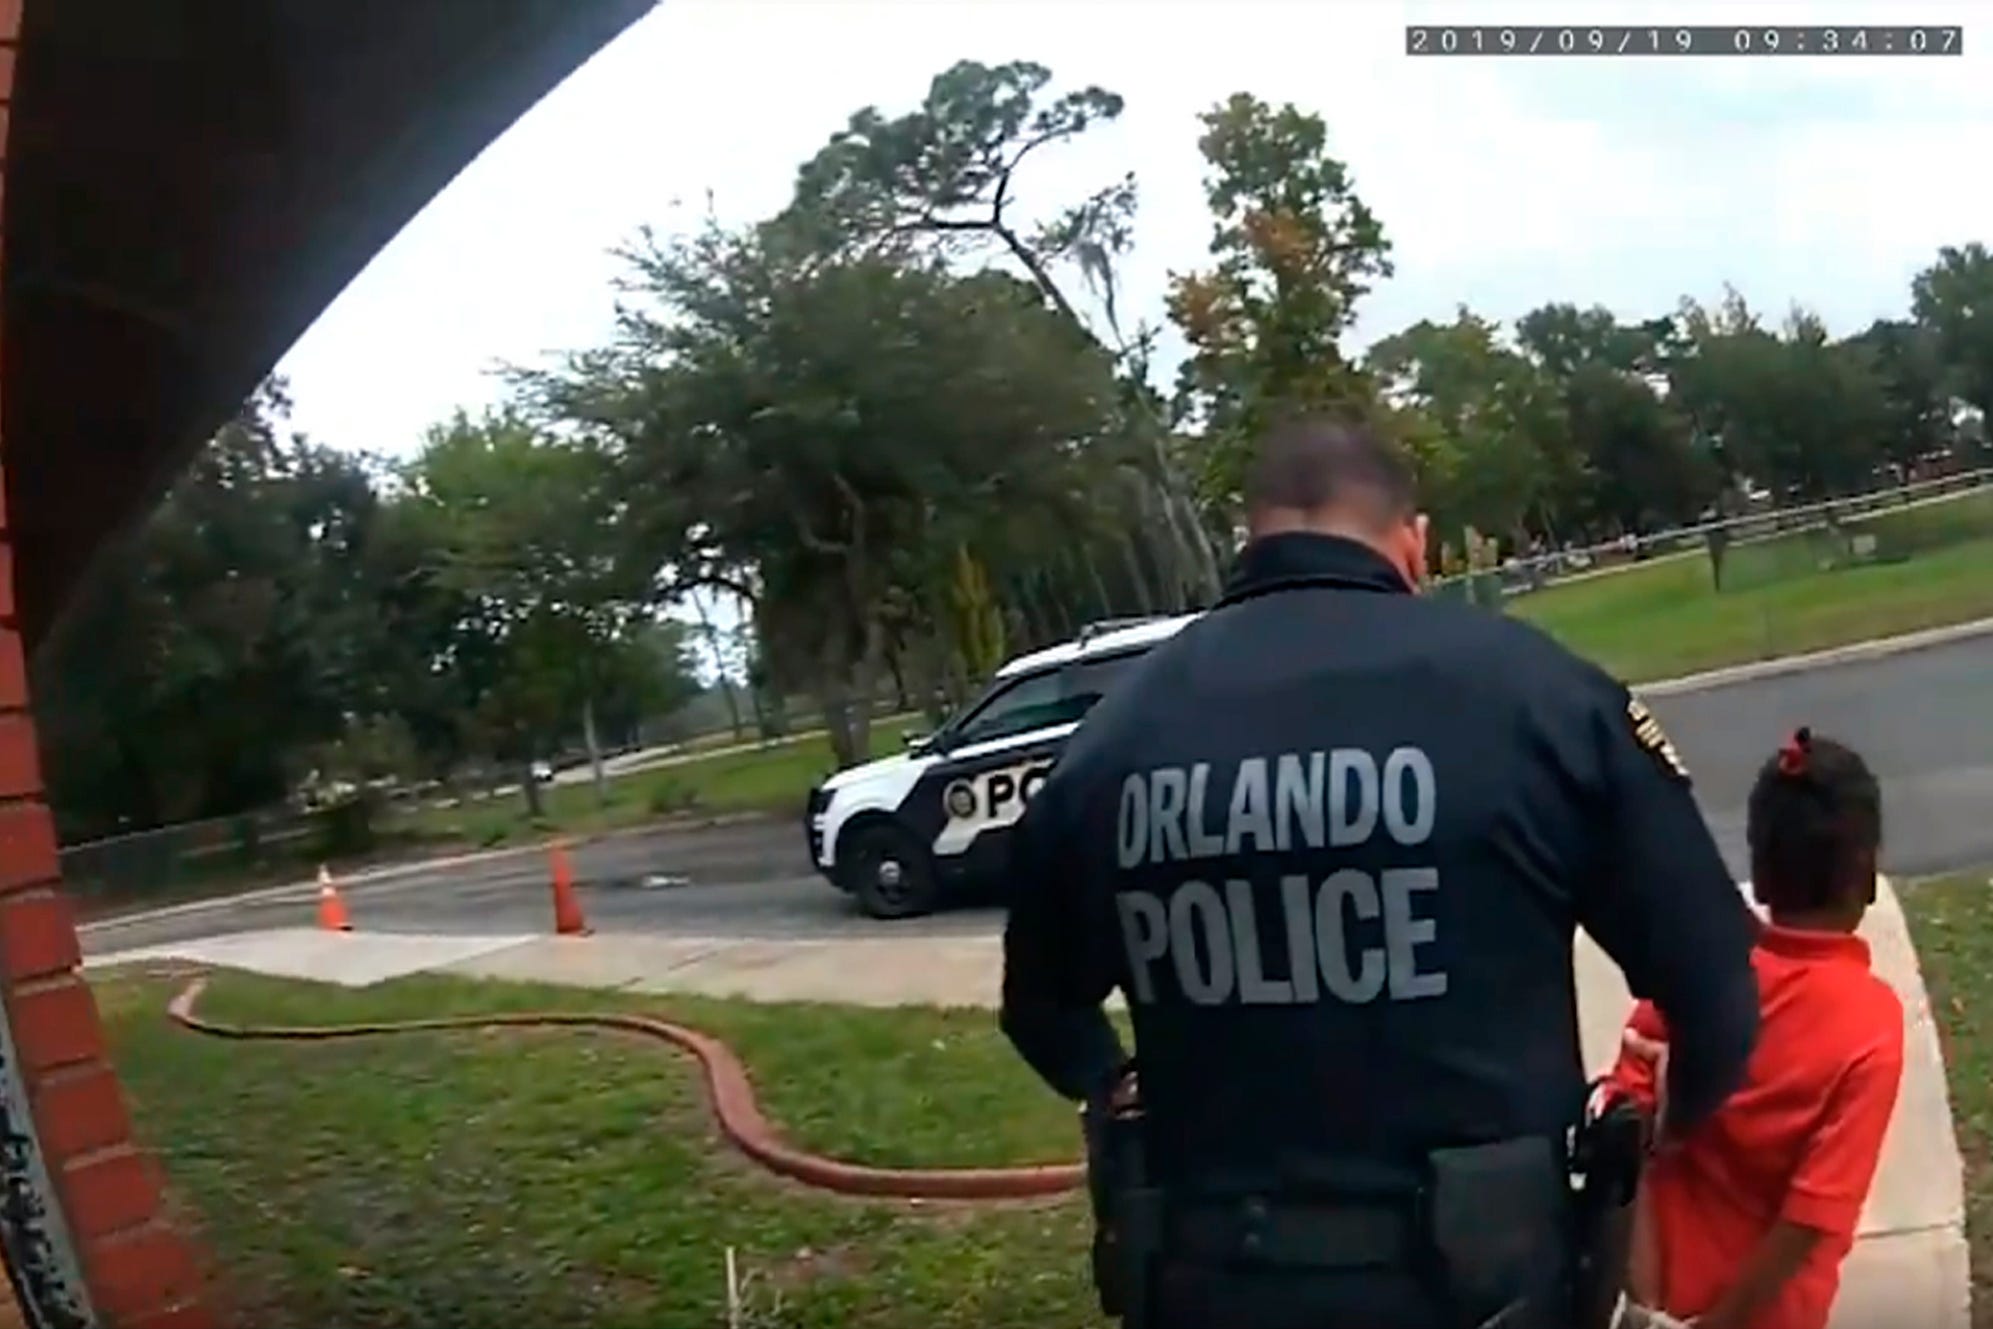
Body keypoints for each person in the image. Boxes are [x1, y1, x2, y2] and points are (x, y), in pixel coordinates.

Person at [998, 412, 1762, 1329]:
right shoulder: (1540, 696)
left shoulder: (1110, 739)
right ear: (1416, 542)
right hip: (1490, 1284)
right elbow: (1717, 992)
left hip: (1213, 1278)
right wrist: (1660, 1138)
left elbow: (1039, 1008)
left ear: (1252, 535)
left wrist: (1114, 1081)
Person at [1607, 728, 1903, 1329]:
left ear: (1762, 877)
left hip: (1659, 1302)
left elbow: (1620, 1149)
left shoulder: (1693, 974)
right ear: (1865, 874)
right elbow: (1809, 1218)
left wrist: (1648, 1310)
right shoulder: (1869, 1028)